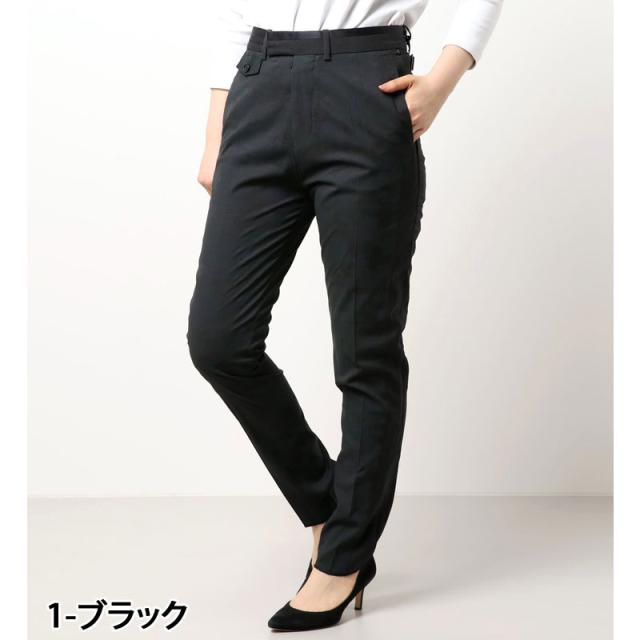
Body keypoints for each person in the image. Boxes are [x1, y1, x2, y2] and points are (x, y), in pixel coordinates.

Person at [187, 0, 502, 631]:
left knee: (365, 349)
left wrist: (441, 83)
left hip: (366, 85)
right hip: (258, 82)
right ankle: (328, 507)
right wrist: (217, 127)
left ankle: (344, 557)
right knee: (218, 341)